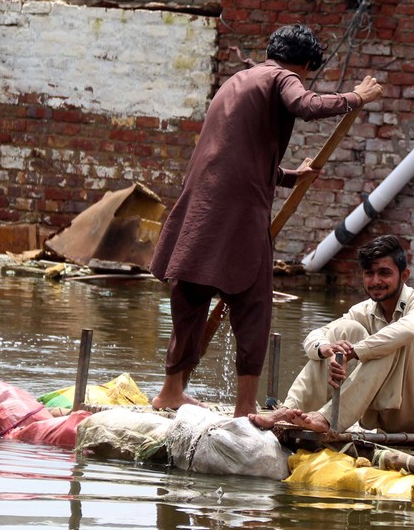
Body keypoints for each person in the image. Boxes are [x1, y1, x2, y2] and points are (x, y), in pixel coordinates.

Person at [149, 23, 383, 416]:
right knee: (253, 305)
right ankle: (245, 408)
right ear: (306, 64)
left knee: (190, 297)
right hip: (238, 213)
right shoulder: (282, 77)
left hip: (202, 207)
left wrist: (290, 176)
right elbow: (305, 106)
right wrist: (354, 97)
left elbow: (235, 156)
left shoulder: (237, 81)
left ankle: (170, 391)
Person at [281, 234, 414, 434]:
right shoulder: (365, 310)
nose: (376, 281)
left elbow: (406, 331)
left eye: (384, 273)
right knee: (345, 331)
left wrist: (354, 352)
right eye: (369, 273)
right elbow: (316, 334)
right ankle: (288, 412)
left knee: (394, 339)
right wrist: (326, 350)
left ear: (404, 275)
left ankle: (328, 418)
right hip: (386, 414)